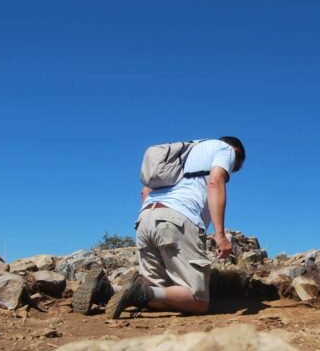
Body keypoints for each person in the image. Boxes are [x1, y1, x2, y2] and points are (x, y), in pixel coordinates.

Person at [105, 136, 246, 319]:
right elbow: (215, 182)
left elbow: (145, 191)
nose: (231, 171)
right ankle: (138, 291)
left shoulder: (186, 151)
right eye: (234, 167)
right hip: (178, 218)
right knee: (198, 300)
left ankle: (106, 290)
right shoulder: (223, 149)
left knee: (161, 292)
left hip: (146, 217)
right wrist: (219, 234)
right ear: (236, 153)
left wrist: (156, 219)